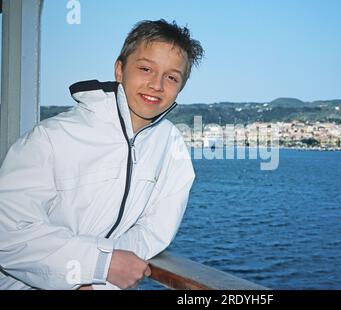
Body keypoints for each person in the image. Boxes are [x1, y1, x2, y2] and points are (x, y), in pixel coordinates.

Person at [0, 19, 204, 290]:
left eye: (171, 77)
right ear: (120, 70)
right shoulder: (52, 137)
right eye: (145, 69)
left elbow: (154, 232)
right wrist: (96, 265)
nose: (156, 84)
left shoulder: (171, 145)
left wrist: (96, 280)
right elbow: (8, 233)